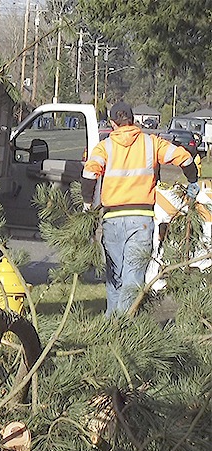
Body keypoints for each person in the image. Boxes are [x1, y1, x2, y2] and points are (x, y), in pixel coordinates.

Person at [82, 101, 199, 316]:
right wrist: (192, 180)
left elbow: (89, 174)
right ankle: (124, 330)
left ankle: (112, 329)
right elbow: (185, 157)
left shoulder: (104, 147)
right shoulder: (151, 143)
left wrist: (87, 204)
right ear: (134, 120)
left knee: (114, 277)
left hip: (113, 220)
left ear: (111, 123)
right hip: (141, 219)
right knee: (133, 278)